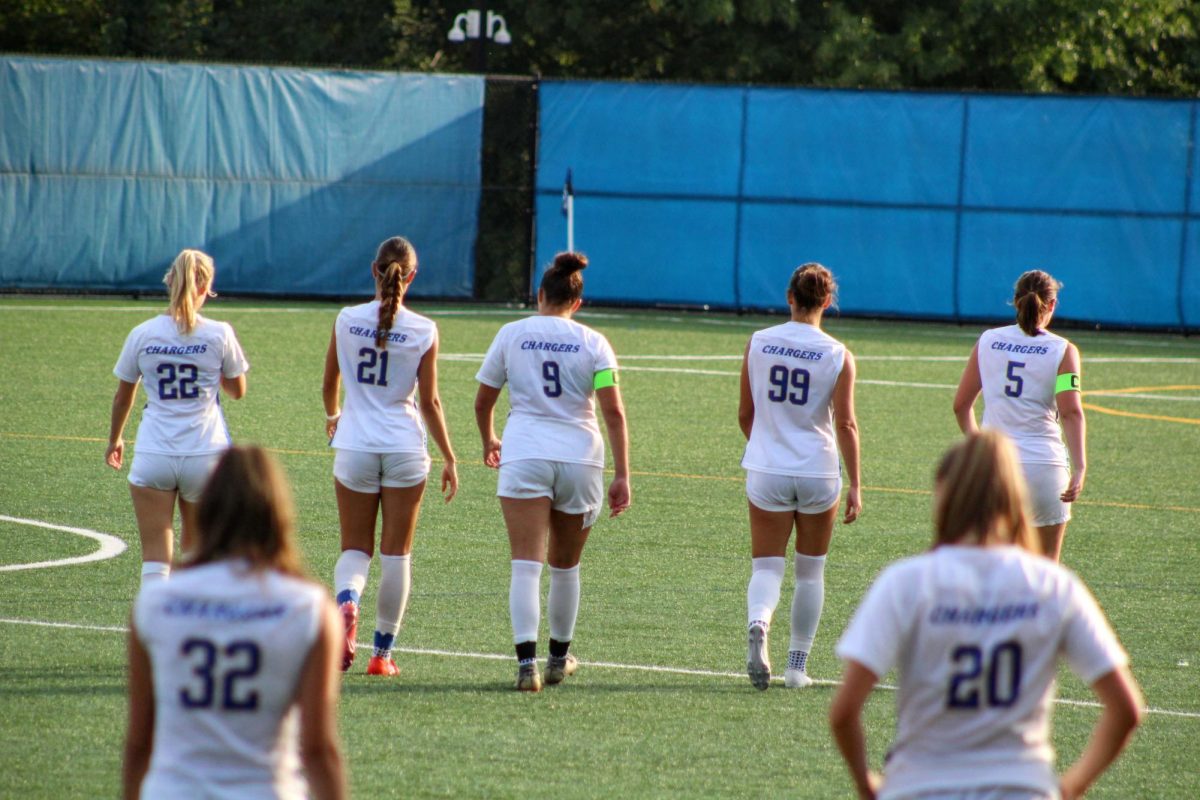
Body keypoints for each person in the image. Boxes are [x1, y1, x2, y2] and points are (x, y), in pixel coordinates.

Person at [829, 431, 1142, 800]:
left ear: (944, 494)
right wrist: (1072, 786)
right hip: (1022, 787)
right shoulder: (1053, 586)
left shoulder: (906, 582)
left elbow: (844, 712)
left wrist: (866, 785)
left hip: (919, 786)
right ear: (1014, 497)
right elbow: (1125, 709)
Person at [123, 446, 347, 800]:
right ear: (277, 514)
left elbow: (139, 744)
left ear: (208, 511)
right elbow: (319, 750)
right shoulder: (308, 607)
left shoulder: (156, 602)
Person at [474, 251, 631, 692]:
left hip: (525, 455)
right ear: (577, 303)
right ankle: (559, 659)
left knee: (526, 566)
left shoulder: (511, 334)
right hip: (581, 458)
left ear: (540, 294)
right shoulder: (595, 343)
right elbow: (613, 412)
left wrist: (489, 440)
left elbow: (483, 400)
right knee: (566, 567)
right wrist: (622, 474)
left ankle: (527, 667)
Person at [322, 236, 458, 677]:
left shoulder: (345, 320)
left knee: (355, 550)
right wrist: (451, 457)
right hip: (404, 448)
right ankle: (381, 656)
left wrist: (333, 415)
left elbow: (329, 384)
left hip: (355, 445)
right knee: (397, 554)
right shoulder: (423, 329)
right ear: (411, 276)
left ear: (373, 269)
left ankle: (346, 603)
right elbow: (432, 403)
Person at [739, 262, 861, 690]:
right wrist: (857, 484)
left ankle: (759, 623)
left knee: (767, 567)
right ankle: (795, 667)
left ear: (789, 297)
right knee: (810, 573)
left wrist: (769, 445)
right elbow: (845, 424)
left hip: (767, 468)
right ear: (827, 302)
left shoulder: (759, 342)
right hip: (817, 471)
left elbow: (745, 414)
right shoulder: (838, 354)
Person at [106, 248, 249, 584]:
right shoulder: (219, 333)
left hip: (155, 452)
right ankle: (199, 630)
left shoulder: (142, 333)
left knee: (155, 558)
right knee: (200, 555)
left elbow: (123, 396)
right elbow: (237, 389)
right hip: (206, 454)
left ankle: (156, 633)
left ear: (169, 282)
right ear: (205, 288)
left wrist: (115, 439)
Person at [953, 269, 1085, 561]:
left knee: (990, 568)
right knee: (1045, 571)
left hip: (996, 468)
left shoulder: (988, 341)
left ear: (1015, 301)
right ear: (1051, 305)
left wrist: (981, 449)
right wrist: (1080, 467)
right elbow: (1071, 412)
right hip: (1044, 468)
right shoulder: (1063, 351)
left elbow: (961, 405)